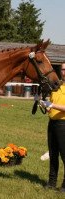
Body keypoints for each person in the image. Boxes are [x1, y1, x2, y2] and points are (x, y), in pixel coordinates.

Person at [40, 62, 65, 192]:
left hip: (63, 124)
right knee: (53, 154)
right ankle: (51, 183)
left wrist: (53, 106)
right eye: (62, 69)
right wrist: (46, 105)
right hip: (52, 123)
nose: (64, 72)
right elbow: (52, 105)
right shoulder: (56, 87)